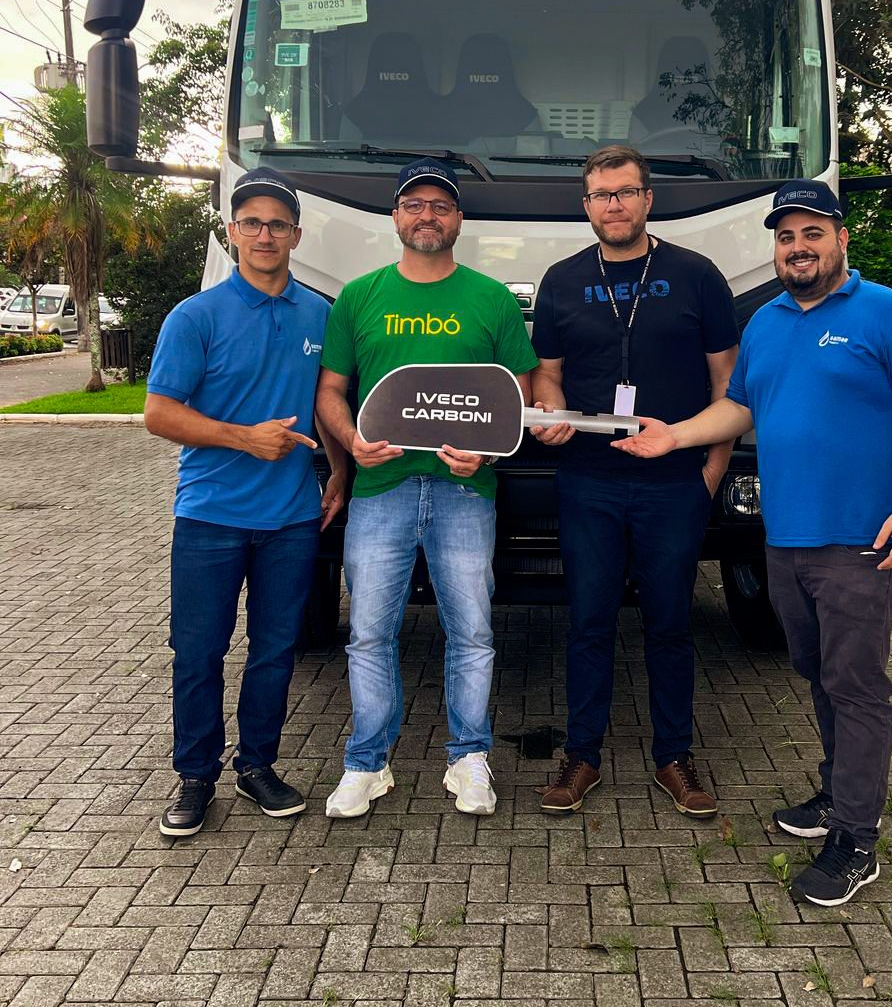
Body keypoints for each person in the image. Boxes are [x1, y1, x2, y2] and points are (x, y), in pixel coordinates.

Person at [615, 178, 892, 903]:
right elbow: (740, 407)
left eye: (813, 233)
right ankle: (836, 793)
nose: (798, 247)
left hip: (861, 540)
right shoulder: (765, 322)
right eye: (787, 236)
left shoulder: (891, 314)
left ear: (841, 239)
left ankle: (856, 840)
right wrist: (674, 436)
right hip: (785, 538)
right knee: (817, 672)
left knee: (856, 687)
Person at [316, 158, 537, 819]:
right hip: (379, 488)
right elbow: (331, 391)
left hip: (464, 493)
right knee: (369, 634)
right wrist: (352, 442)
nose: (427, 215)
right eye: (414, 205)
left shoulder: (491, 299)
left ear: (459, 219)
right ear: (395, 218)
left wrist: (487, 447)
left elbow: (519, 391)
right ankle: (366, 764)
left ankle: (468, 758)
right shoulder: (359, 296)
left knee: (471, 632)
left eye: (440, 205)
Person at [529, 145, 740, 818]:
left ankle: (674, 757)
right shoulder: (562, 280)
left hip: (673, 481)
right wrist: (550, 414)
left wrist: (711, 471)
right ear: (586, 206)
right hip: (587, 481)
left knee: (670, 623)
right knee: (588, 622)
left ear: (648, 199)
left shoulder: (695, 275)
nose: (613, 205)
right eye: (601, 195)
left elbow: (727, 383)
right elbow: (548, 374)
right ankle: (581, 756)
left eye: (624, 192)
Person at [145, 167, 347, 838]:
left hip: (291, 518)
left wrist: (339, 470)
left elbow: (325, 401)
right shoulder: (195, 316)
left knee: (274, 651)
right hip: (209, 515)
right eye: (252, 223)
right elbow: (158, 413)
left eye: (277, 224)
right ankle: (194, 776)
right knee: (198, 652)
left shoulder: (319, 314)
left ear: (296, 236)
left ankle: (257, 764)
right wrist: (243, 437)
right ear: (232, 232)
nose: (265, 235)